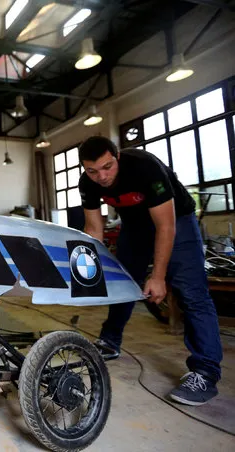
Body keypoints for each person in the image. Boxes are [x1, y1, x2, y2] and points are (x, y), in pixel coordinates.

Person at [78, 136, 222, 406]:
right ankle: (110, 340)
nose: (102, 176)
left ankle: (205, 372)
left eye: (107, 167)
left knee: (192, 293)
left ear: (116, 156)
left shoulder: (145, 168)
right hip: (135, 227)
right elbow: (94, 230)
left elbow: (166, 227)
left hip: (177, 221)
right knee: (122, 282)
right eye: (93, 171)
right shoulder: (88, 183)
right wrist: (89, 270)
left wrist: (157, 277)